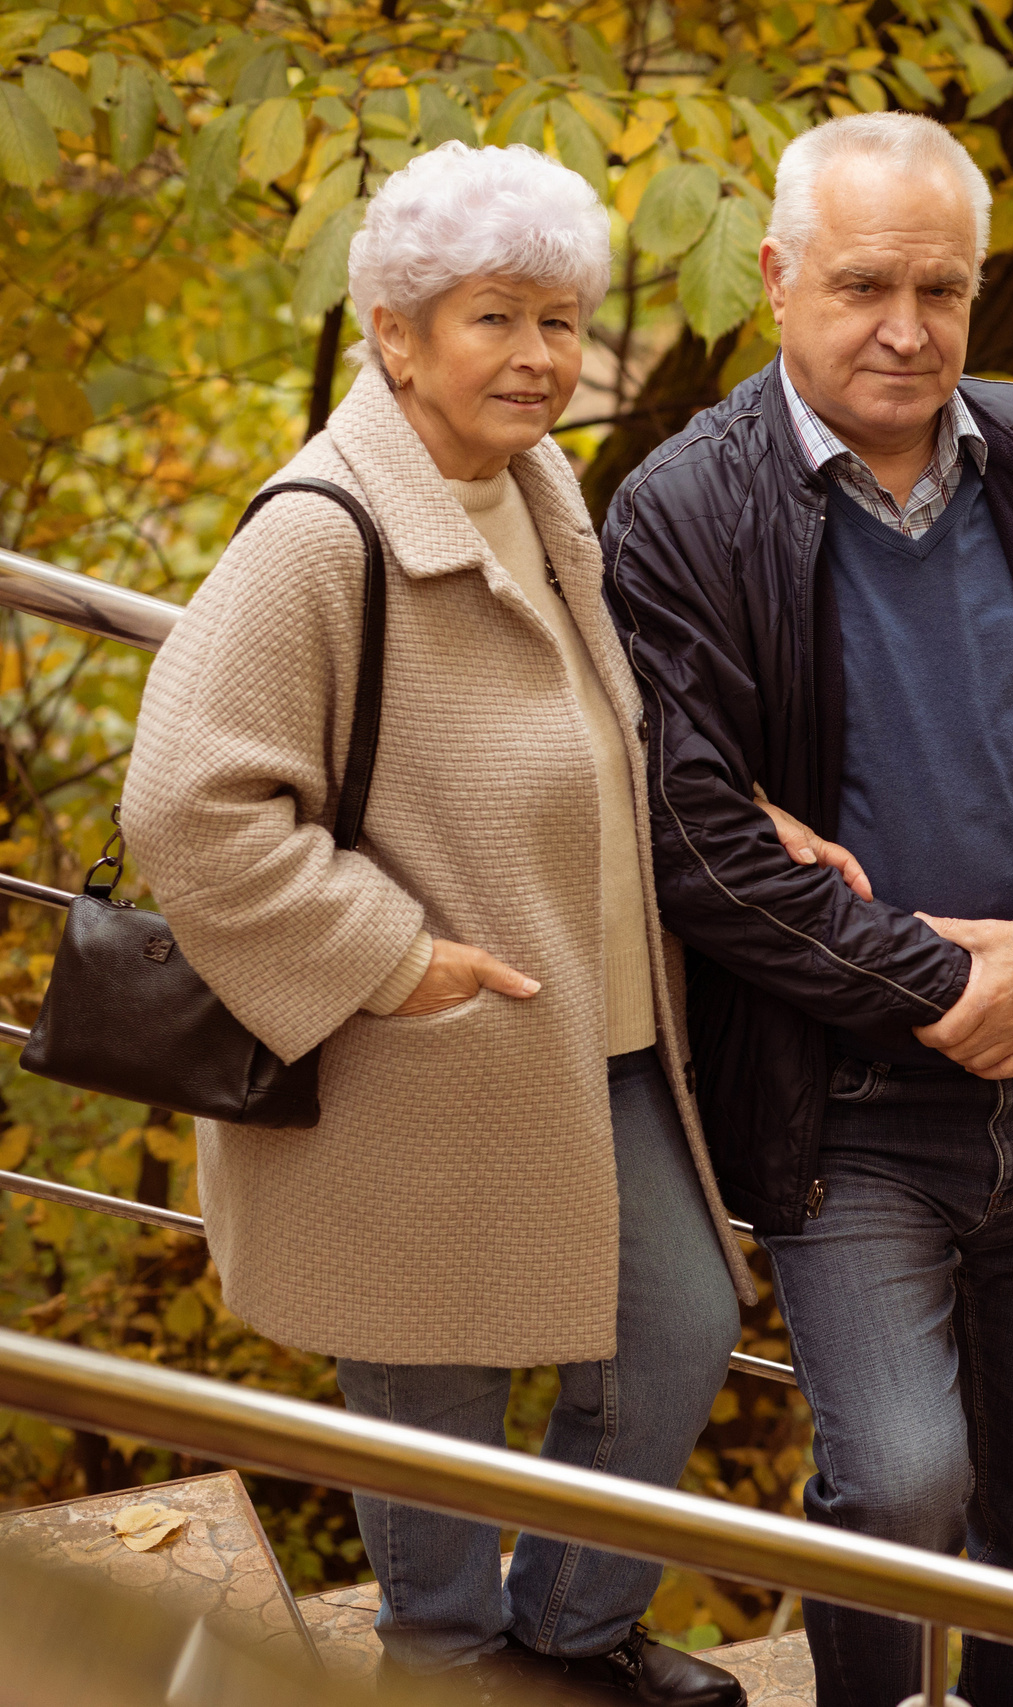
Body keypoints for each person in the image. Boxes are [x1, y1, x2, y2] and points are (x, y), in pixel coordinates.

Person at [121, 143, 755, 1707]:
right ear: (395, 332)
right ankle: (452, 1658)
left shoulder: (534, 491)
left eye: (559, 318)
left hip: (591, 1024)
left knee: (681, 1320)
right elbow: (188, 803)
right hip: (415, 1047)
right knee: (435, 1386)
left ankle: (569, 1633)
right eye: (495, 318)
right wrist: (390, 959)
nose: (538, 357)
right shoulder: (320, 532)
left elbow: (582, 730)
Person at [603, 112, 1013, 1707]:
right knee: (897, 1486)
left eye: (942, 289)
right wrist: (938, 982)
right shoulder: (684, 510)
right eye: (865, 283)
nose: (908, 327)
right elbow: (694, 829)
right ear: (776, 276)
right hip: (848, 1099)